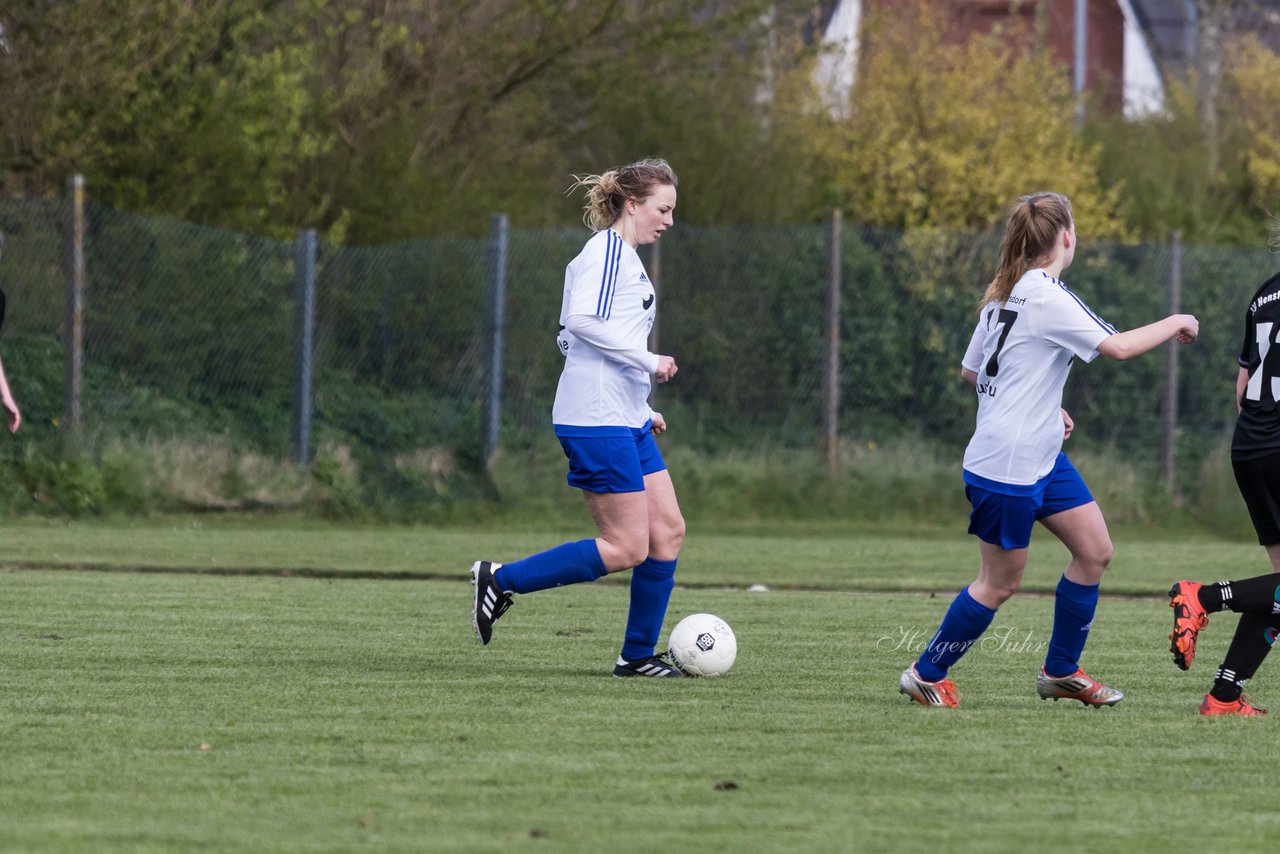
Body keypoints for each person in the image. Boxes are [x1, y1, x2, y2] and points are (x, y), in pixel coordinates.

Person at [898, 191, 1199, 708]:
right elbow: (1120, 347)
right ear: (1066, 237)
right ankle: (926, 672)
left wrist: (1040, 406)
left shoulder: (1003, 294)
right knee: (999, 583)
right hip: (1008, 466)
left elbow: (974, 373)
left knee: (1094, 551)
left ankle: (1060, 671)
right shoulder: (1044, 293)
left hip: (1037, 456)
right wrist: (1178, 321)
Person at [469, 158, 686, 677]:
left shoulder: (626, 259)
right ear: (633, 204)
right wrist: (649, 361)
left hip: (621, 417)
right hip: (596, 421)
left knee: (668, 533)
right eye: (663, 209)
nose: (669, 221)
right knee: (627, 546)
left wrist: (641, 406)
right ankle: (500, 580)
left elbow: (575, 341)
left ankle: (636, 657)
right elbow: (580, 323)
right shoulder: (606, 253)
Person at [1167, 234, 1280, 716]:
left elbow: (1243, 386)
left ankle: (1224, 696)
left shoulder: (1265, 292)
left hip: (1251, 442)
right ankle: (1204, 597)